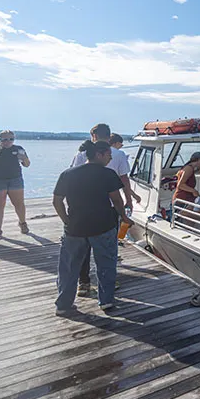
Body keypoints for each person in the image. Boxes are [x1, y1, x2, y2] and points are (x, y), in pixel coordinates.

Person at [53, 140, 133, 315]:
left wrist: (66, 220)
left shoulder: (67, 174)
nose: (110, 159)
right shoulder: (108, 174)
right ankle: (106, 301)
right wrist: (124, 216)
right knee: (106, 264)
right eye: (108, 155)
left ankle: (63, 304)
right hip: (103, 226)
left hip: (75, 228)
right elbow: (117, 200)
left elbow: (57, 200)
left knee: (69, 268)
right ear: (99, 154)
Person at [71, 123, 139, 297]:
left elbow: (73, 176)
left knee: (84, 248)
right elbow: (124, 180)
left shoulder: (82, 154)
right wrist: (129, 201)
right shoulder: (119, 154)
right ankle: (109, 281)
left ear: (93, 136)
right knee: (108, 248)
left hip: (84, 207)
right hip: (109, 206)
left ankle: (84, 282)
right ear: (109, 137)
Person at [0, 130, 30, 239]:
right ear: (0, 140)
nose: (8, 142)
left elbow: (27, 164)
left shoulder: (18, 149)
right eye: (4, 139)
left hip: (15, 179)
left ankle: (23, 223)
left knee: (19, 203)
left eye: (11, 139)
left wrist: (24, 158)